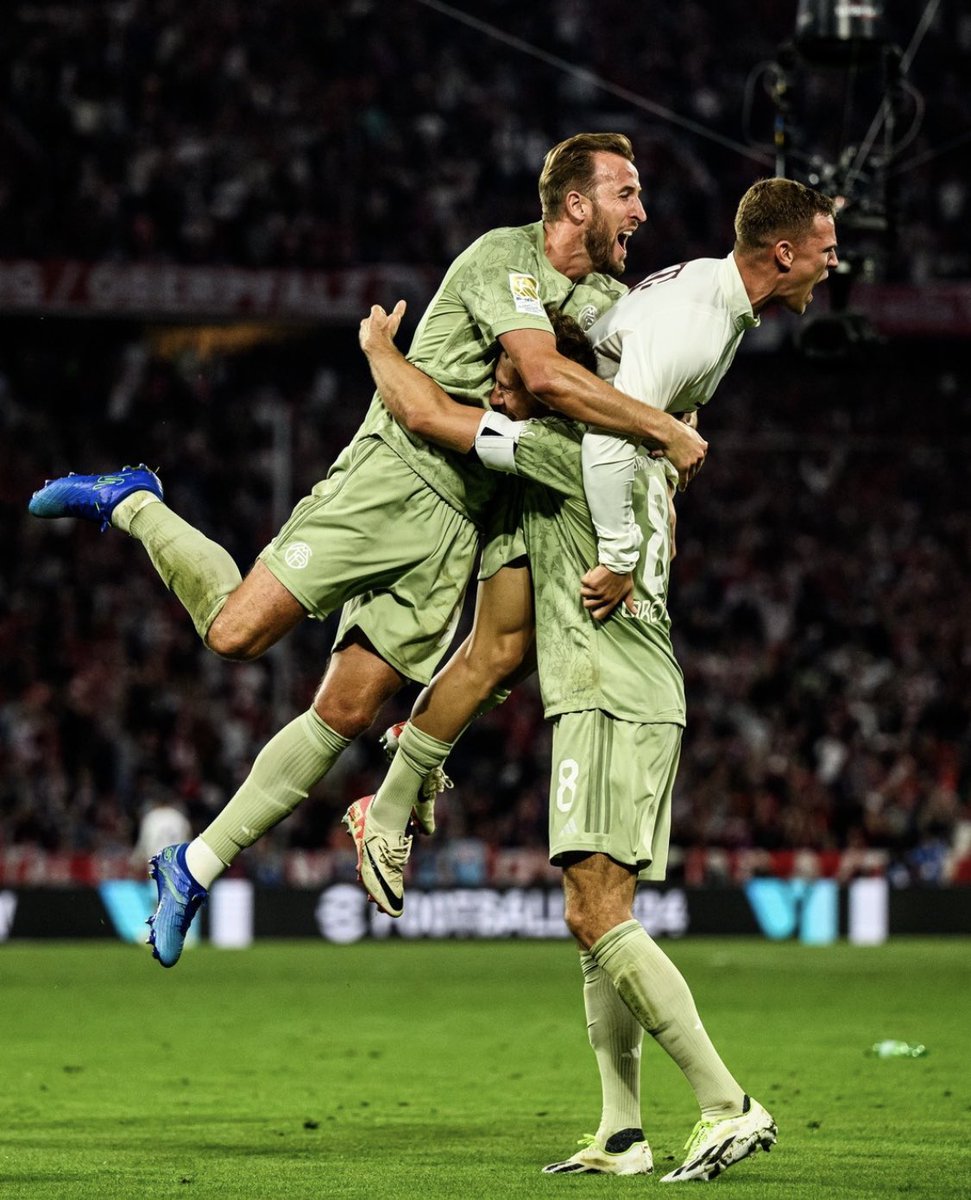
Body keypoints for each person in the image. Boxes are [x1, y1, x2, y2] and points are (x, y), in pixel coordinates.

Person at [27, 133, 708, 967]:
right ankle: (133, 501)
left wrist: (677, 418)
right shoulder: (506, 258)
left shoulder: (601, 294)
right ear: (577, 203)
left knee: (346, 712)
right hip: (393, 484)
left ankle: (193, 864)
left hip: (466, 521)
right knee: (237, 634)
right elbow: (544, 375)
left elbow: (646, 366)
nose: (641, 212)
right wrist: (662, 432)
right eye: (626, 194)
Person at [354, 288, 788, 1183]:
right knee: (599, 920)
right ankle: (622, 1133)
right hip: (634, 690)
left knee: (593, 915)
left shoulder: (564, 449)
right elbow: (499, 637)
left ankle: (726, 1104)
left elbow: (430, 413)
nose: (501, 393)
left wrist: (377, 352)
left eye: (510, 377)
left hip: (609, 695)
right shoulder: (629, 456)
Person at [351, 175, 839, 930]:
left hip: (566, 464)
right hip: (564, 462)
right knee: (499, 653)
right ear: (783, 253)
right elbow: (612, 435)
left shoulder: (715, 304)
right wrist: (620, 548)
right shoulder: (696, 323)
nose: (834, 263)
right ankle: (391, 801)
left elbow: (655, 400)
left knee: (502, 653)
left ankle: (405, 775)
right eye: (827, 250)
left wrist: (665, 482)